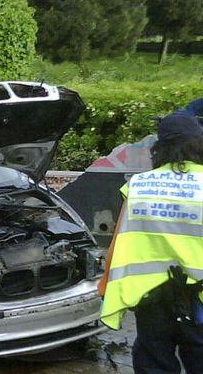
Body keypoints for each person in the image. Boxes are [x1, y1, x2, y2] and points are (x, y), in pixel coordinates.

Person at [99, 112, 203, 374]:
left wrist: (106, 287)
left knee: (153, 362)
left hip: (151, 298)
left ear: (159, 147)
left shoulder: (139, 186)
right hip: (199, 299)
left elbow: (119, 240)